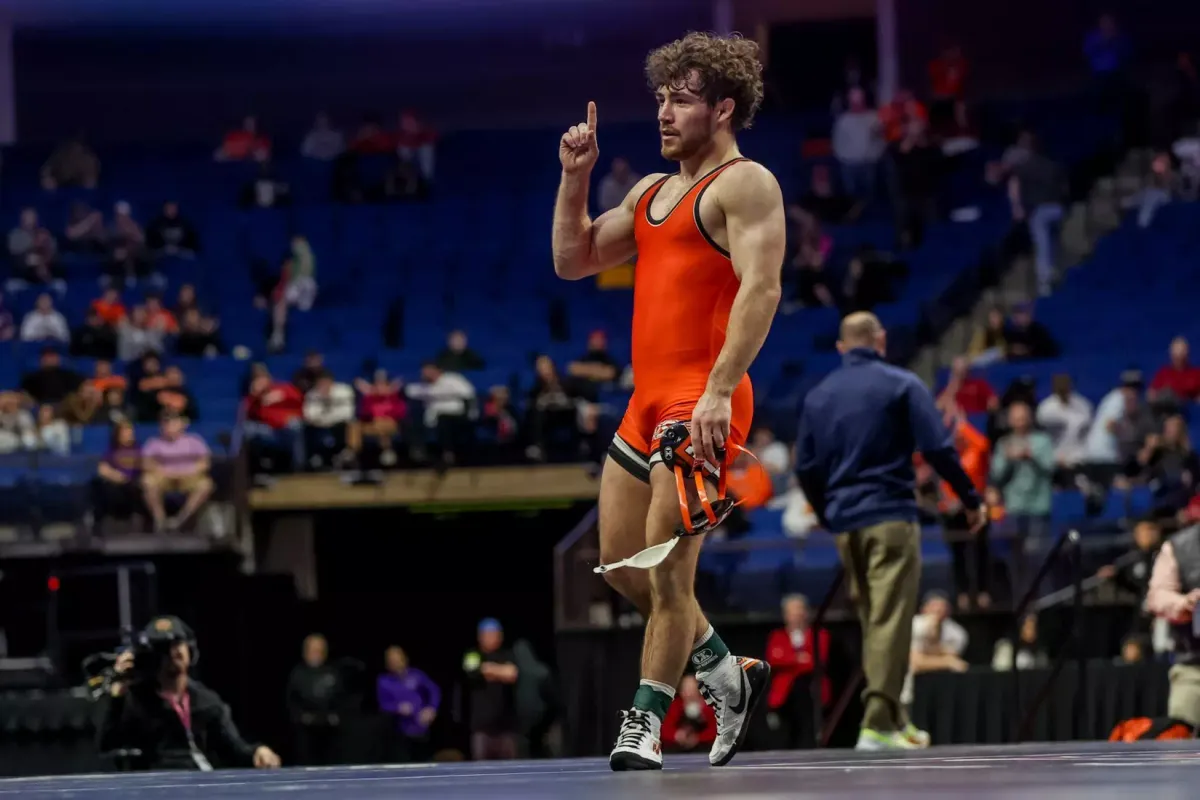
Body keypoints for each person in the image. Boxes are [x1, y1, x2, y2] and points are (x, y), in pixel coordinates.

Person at [551, 31, 785, 771]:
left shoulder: (745, 184)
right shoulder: (650, 192)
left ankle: (645, 722)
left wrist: (719, 388)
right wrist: (576, 176)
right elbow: (574, 258)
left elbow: (763, 287)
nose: (663, 111)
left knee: (668, 571)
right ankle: (724, 672)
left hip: (703, 401)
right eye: (660, 96)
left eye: (681, 99)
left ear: (723, 108)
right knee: (621, 567)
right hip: (644, 403)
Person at [795, 312, 985, 751]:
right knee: (889, 620)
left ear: (842, 347)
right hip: (890, 517)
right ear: (880, 340)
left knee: (875, 622)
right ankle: (877, 722)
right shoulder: (901, 383)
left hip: (846, 523)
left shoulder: (819, 395)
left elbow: (804, 467)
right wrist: (971, 499)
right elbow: (937, 447)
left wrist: (828, 514)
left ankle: (896, 720)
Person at [98, 615, 281, 770]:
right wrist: (117, 696)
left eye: (177, 644)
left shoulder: (206, 701)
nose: (172, 652)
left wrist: (258, 751)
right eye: (163, 647)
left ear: (190, 650)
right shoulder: (136, 700)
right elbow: (107, 745)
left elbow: (235, 748)